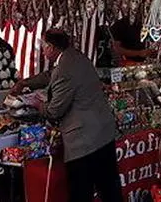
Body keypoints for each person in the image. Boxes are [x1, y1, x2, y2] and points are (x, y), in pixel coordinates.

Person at [13, 30, 122, 202]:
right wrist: (25, 83)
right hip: (102, 131)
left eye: (44, 46)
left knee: (81, 191)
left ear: (51, 47)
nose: (42, 51)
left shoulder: (65, 69)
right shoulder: (75, 57)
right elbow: (50, 76)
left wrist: (36, 103)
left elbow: (54, 111)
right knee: (109, 187)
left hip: (84, 139)